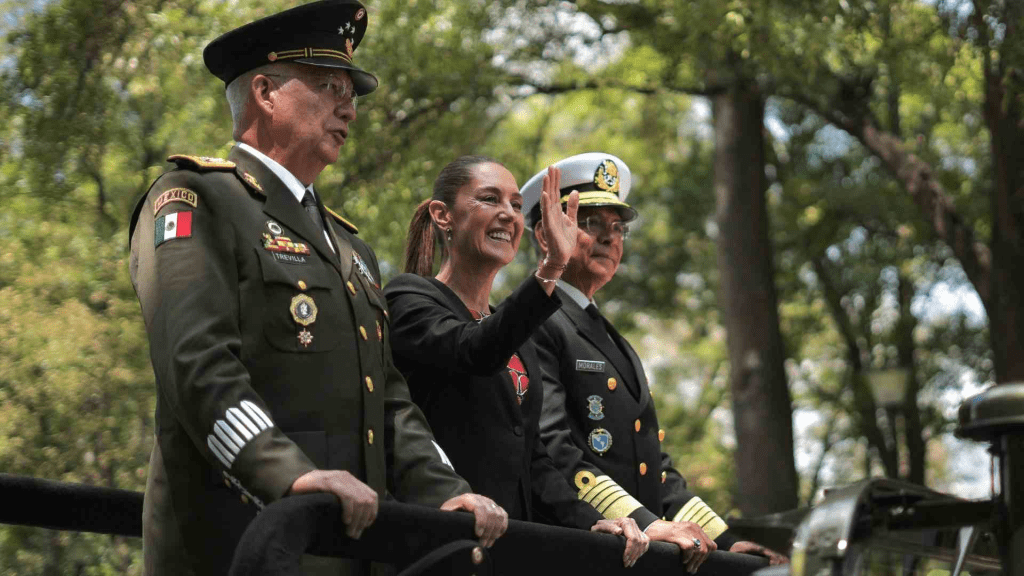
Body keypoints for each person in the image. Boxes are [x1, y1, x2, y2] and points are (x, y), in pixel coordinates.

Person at [127, 3, 505, 574]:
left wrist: (446, 491)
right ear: (265, 91)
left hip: (348, 551)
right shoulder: (196, 198)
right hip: (240, 546)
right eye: (329, 87)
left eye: (349, 93)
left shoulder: (350, 248)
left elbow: (388, 399)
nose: (349, 108)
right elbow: (196, 365)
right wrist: (287, 474)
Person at [521, 153, 789, 574]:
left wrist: (725, 541)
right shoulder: (533, 321)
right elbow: (553, 449)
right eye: (591, 223)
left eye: (619, 227)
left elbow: (652, 468)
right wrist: (648, 525)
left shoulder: (612, 339)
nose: (611, 238)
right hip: (579, 550)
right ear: (545, 233)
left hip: (631, 556)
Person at [382, 156, 649, 567]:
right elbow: (475, 351)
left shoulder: (514, 333)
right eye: (489, 199)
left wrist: (592, 520)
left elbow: (534, 459)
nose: (507, 214)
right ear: (442, 215)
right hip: (442, 545)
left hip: (510, 552)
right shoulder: (409, 299)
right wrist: (551, 269)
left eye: (515, 205)